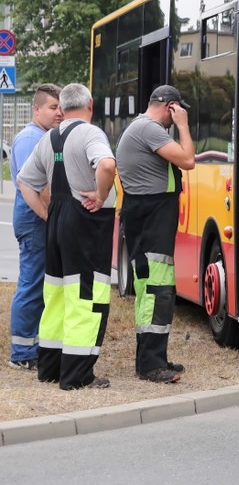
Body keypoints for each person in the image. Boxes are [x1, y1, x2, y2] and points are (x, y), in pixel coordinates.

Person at [17, 83, 116, 390]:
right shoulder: (90, 133)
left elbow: (24, 181)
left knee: (57, 295)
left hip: (58, 220)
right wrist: (100, 195)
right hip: (86, 223)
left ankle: (50, 368)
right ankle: (77, 375)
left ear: (62, 107)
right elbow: (108, 165)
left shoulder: (49, 138)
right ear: (90, 105)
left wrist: (48, 216)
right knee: (86, 296)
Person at [116, 84, 195, 384]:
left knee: (157, 291)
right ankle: (150, 365)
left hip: (150, 218)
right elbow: (188, 160)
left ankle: (154, 358)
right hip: (150, 221)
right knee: (155, 292)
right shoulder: (149, 129)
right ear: (169, 106)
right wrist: (183, 126)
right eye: (177, 110)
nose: (178, 117)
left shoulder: (143, 129)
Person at [8, 84, 63, 370]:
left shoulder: (42, 136)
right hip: (34, 218)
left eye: (60, 108)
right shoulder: (31, 138)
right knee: (31, 284)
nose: (59, 113)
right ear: (37, 109)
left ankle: (32, 347)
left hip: (36, 218)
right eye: (53, 107)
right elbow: (38, 186)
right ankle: (22, 352)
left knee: (39, 283)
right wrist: (53, 218)